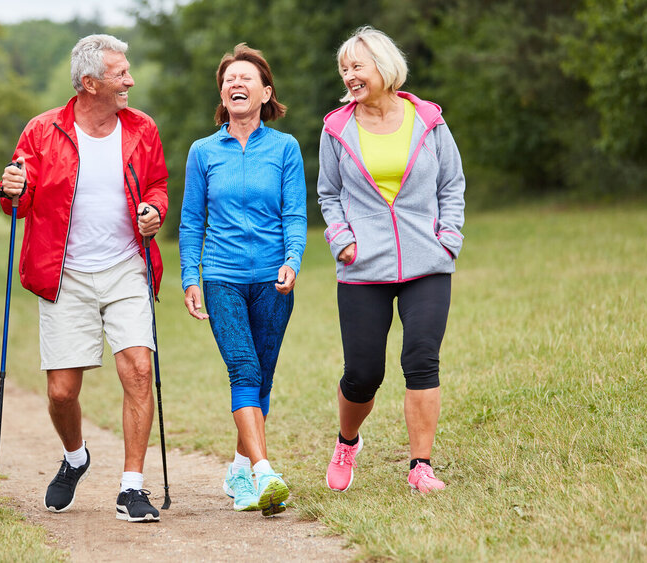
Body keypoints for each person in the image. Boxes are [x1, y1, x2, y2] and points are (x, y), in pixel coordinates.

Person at [0, 34, 168, 523]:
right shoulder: (41, 131)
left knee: (138, 367)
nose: (130, 80)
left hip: (125, 268)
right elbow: (19, 204)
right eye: (121, 73)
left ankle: (132, 487)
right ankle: (76, 457)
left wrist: (154, 210)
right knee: (62, 393)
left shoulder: (141, 129)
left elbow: (156, 184)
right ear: (89, 83)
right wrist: (14, 188)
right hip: (63, 274)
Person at [317, 26, 465, 494]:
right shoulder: (336, 128)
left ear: (383, 66)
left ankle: (420, 465)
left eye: (357, 66)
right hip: (363, 265)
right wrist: (342, 239)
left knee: (422, 359)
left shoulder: (429, 120)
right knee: (363, 374)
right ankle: (347, 441)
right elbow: (328, 192)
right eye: (344, 69)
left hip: (427, 260)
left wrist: (448, 238)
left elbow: (451, 184)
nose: (350, 75)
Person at [179, 44, 307, 516]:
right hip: (222, 276)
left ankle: (239, 468)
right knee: (243, 370)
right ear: (222, 92)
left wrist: (293, 258)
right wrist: (190, 276)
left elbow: (295, 213)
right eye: (229, 78)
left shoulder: (285, 148)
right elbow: (192, 221)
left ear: (265, 92)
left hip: (274, 279)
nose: (236, 83)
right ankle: (265, 471)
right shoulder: (203, 151)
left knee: (263, 378)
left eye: (246, 78)